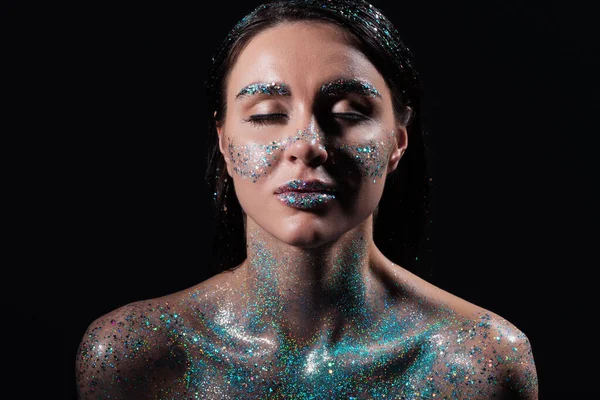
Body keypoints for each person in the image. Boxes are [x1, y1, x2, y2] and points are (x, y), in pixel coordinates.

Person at [75, 0, 539, 398]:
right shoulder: (131, 355)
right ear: (223, 140)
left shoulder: (478, 362)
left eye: (348, 112)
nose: (307, 143)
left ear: (399, 140)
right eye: (267, 115)